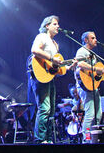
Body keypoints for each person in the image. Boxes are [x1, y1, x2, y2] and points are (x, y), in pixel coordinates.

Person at [28, 15, 62, 144]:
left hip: (50, 76)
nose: (58, 26)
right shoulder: (42, 37)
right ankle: (40, 139)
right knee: (45, 108)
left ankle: (47, 139)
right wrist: (52, 58)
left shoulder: (55, 44)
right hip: (39, 74)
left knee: (51, 109)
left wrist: (68, 66)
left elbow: (54, 65)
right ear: (47, 26)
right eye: (55, 24)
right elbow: (35, 50)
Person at [74, 31, 104, 143]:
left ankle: (94, 138)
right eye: (93, 38)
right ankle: (86, 139)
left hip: (93, 86)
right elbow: (80, 64)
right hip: (84, 86)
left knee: (98, 114)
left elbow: (94, 72)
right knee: (90, 114)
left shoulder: (92, 54)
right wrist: (96, 69)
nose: (95, 40)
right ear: (86, 40)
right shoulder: (81, 51)